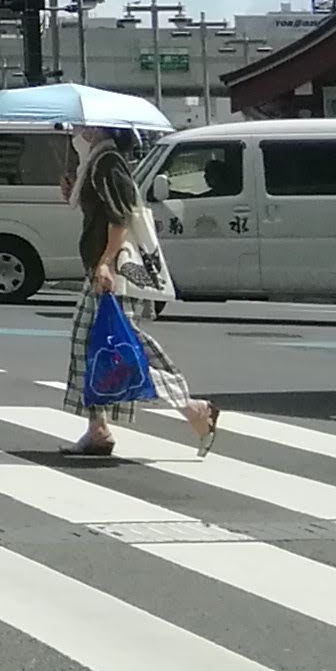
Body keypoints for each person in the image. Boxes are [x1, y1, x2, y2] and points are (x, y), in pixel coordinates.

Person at [66, 144, 217, 459]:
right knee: (91, 347)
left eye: (82, 128)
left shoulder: (108, 163)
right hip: (102, 272)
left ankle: (193, 409)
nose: (78, 131)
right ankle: (97, 428)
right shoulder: (97, 162)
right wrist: (75, 190)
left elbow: (120, 218)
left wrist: (105, 262)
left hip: (113, 275)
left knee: (123, 350)